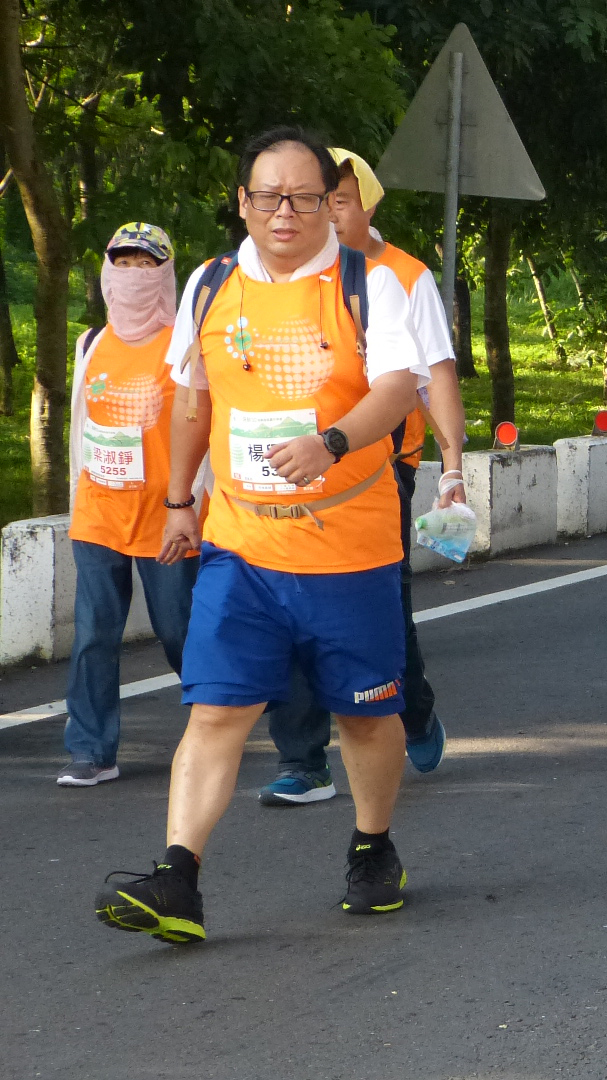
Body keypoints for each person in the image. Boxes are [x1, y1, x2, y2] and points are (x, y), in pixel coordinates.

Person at [93, 128, 433, 944]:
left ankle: (373, 844)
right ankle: (179, 875)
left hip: (350, 551)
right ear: (243, 202)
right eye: (268, 196)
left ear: (329, 202)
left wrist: (333, 443)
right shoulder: (212, 286)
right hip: (241, 551)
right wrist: (179, 501)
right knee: (215, 712)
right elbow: (190, 402)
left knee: (364, 720)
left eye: (305, 197)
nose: (286, 212)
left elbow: (395, 388)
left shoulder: (367, 285)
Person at [254, 148, 465, 806]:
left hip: (376, 472)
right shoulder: (275, 274)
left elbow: (437, 377)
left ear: (366, 206)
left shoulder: (403, 278)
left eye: (339, 200)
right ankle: (301, 757)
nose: (326, 212)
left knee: (379, 611)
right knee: (281, 609)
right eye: (320, 198)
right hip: (280, 473)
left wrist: (453, 464)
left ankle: (415, 710)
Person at [59, 223, 199, 788]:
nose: (134, 275)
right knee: (93, 632)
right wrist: (75, 498)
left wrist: (192, 501)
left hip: (164, 514)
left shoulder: (183, 347)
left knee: (180, 631)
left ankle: (217, 722)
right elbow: (79, 428)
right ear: (107, 273)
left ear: (165, 273)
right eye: (124, 263)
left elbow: (200, 426)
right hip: (98, 513)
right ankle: (91, 748)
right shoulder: (90, 344)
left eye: (147, 264)